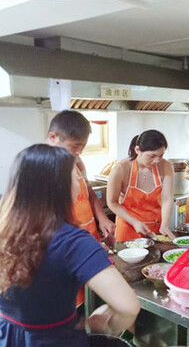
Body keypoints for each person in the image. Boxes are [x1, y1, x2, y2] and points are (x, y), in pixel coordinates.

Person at [0, 144, 140, 347]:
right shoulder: (73, 241)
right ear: (61, 186)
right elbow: (129, 306)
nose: (79, 181)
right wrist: (110, 320)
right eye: (75, 176)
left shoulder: (4, 228)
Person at [46, 110, 116, 309]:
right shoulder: (41, 167)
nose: (78, 152)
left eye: (82, 147)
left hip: (87, 241)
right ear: (53, 137)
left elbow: (89, 192)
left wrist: (102, 219)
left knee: (91, 302)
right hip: (64, 249)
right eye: (74, 146)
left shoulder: (76, 161)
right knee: (70, 306)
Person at [107, 130, 174, 241]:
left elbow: (167, 198)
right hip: (128, 228)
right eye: (152, 156)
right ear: (137, 150)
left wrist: (165, 225)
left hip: (154, 229)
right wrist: (135, 222)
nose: (157, 160)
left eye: (161, 155)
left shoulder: (166, 166)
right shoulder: (121, 169)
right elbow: (112, 202)